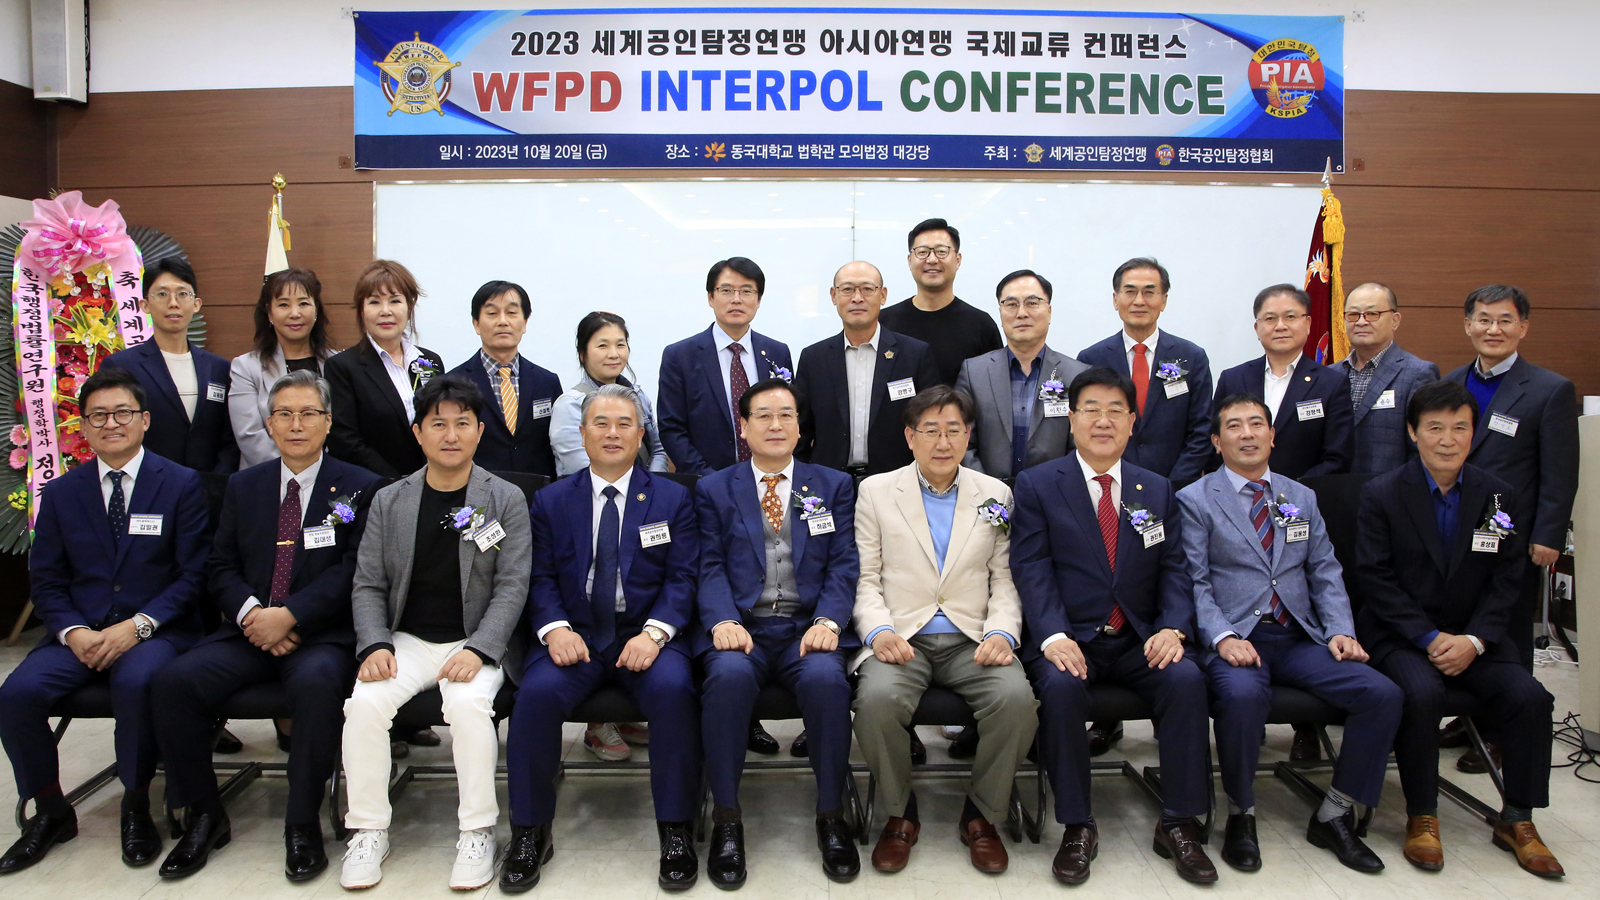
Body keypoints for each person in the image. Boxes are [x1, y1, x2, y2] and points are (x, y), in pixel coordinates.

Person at [152, 370, 381, 881]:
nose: (296, 425)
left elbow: (357, 570)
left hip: (319, 634)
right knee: (173, 683)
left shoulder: (361, 487)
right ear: (269, 423)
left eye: (308, 414)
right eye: (285, 415)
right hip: (250, 630)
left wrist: (291, 615)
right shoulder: (244, 485)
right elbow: (220, 565)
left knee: (317, 686)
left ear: (327, 422)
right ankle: (204, 815)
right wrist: (255, 616)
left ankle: (301, 823)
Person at [1010, 367, 1217, 886]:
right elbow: (1031, 567)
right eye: (1091, 410)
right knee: (1060, 689)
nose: (1103, 421)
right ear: (1071, 419)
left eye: (1115, 411)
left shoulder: (1156, 487)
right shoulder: (1038, 484)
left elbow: (1174, 569)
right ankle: (1077, 824)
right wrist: (1053, 635)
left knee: (1186, 679)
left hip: (1137, 638)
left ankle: (1179, 821)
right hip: (1069, 637)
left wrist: (1173, 628)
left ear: (1131, 422)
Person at [1178, 393, 1401, 874]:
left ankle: (1334, 813)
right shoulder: (1194, 500)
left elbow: (1324, 570)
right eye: (1234, 426)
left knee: (1381, 694)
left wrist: (1340, 630)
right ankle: (1241, 813)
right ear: (1216, 442)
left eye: (1256, 423)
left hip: (1299, 637)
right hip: (1236, 638)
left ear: (1272, 435)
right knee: (1241, 698)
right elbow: (1193, 582)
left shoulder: (1300, 496)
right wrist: (1222, 638)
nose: (1247, 434)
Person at [0, 367, 209, 874]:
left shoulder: (180, 484)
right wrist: (73, 632)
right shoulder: (62, 493)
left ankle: (135, 806)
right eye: (98, 416)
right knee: (16, 694)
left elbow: (193, 575)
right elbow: (46, 580)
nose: (111, 424)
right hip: (80, 634)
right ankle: (51, 811)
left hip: (155, 631)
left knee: (136, 683)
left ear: (144, 420)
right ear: (84, 426)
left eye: (122, 413)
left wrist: (137, 626)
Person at [1353, 380, 1562, 879]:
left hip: (1475, 638)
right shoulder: (1382, 493)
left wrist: (1474, 639)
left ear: (1473, 433)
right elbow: (1374, 578)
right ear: (1413, 432)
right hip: (1403, 636)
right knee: (1421, 693)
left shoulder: (1499, 495)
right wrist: (1428, 638)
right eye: (1435, 428)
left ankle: (1518, 817)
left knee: (1531, 698)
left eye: (1460, 428)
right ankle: (1422, 814)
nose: (1447, 440)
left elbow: (1508, 579)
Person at [336, 375, 532, 891]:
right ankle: (368, 830)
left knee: (468, 706)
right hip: (408, 639)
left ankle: (477, 831)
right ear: (418, 432)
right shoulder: (390, 500)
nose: (451, 435)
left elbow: (513, 585)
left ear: (480, 431)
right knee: (364, 704)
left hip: (475, 638)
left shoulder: (505, 498)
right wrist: (375, 643)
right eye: (438, 424)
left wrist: (480, 649)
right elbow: (368, 583)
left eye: (462, 423)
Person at [503, 384, 702, 892]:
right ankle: (529, 831)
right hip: (576, 635)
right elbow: (538, 576)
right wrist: (554, 628)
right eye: (601, 423)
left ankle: (676, 830)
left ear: (640, 434)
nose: (612, 433)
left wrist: (655, 634)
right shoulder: (551, 499)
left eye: (623, 424)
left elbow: (683, 578)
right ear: (582, 432)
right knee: (535, 695)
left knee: (675, 691)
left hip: (645, 635)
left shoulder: (674, 497)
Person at [851, 384, 1038, 875]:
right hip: (902, 637)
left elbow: (1005, 578)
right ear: (909, 436)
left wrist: (1002, 633)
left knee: (1017, 701)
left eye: (953, 430)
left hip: (972, 638)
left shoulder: (995, 494)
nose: (942, 442)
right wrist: (879, 631)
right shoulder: (876, 491)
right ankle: (900, 813)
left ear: (968, 436)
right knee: (875, 702)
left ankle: (982, 813)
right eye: (931, 430)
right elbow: (865, 577)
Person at [693, 377, 860, 886]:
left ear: (799, 427)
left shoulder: (833, 485)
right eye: (762, 415)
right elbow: (708, 564)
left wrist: (829, 620)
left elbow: (844, 563)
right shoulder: (714, 488)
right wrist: (723, 620)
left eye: (786, 414)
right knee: (726, 679)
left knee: (828, 682)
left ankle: (831, 815)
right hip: (741, 628)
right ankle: (727, 819)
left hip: (807, 628)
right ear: (743, 427)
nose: (775, 424)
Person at [1075, 257, 1215, 759]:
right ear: (1115, 299)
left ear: (1164, 299)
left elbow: (1201, 430)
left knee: (1159, 582)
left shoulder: (1189, 356)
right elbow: (1090, 426)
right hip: (1103, 494)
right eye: (1130, 290)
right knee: (1111, 582)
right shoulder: (1093, 357)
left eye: (1149, 291)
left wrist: (1165, 489)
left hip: (1171, 495)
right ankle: (1107, 719)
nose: (1139, 299)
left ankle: (1164, 706)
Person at [1442, 285, 1577, 672]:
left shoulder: (1550, 390)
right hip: (1451, 528)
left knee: (1508, 629)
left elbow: (1560, 471)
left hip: (1510, 534)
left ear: (1523, 327)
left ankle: (1510, 708)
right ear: (1468, 325)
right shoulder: (1450, 383)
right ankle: (1462, 707)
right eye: (1484, 319)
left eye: (1505, 320)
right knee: (1457, 624)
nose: (1493, 329)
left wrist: (1548, 535)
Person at [795, 261, 940, 478]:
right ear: (834, 296)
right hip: (829, 482)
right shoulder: (814, 358)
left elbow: (931, 423)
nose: (857, 298)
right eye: (847, 289)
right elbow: (800, 430)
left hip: (897, 481)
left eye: (867, 289)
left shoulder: (914, 355)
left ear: (883, 295)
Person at [99, 257, 237, 472]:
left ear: (196, 304)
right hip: (148, 485)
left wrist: (217, 482)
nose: (173, 303)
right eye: (162, 294)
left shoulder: (219, 368)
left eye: (182, 294)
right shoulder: (121, 367)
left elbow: (229, 437)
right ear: (145, 305)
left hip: (208, 487)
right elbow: (115, 432)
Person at [658, 257, 794, 475]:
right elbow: (672, 429)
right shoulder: (680, 356)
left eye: (746, 291)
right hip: (704, 482)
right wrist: (710, 481)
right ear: (710, 298)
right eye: (727, 291)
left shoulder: (777, 352)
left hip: (770, 479)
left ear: (759, 299)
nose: (736, 300)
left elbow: (789, 418)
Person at [956, 268, 1089, 479]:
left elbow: (1081, 445)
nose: (1022, 313)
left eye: (1032, 303)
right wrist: (986, 490)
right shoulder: (974, 372)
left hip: (1053, 491)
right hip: (986, 492)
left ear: (1049, 311)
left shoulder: (1077, 374)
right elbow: (961, 439)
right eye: (1011, 304)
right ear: (1000, 313)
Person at [1214, 284, 1354, 481]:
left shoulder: (1331, 383)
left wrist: (1291, 492)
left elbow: (1337, 458)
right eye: (1270, 318)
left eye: (1290, 317)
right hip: (1237, 493)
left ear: (1308, 323)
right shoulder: (1233, 379)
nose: (1280, 326)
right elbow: (1215, 445)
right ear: (1257, 328)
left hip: (1305, 494)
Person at [325, 259, 447, 479]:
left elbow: (441, 423)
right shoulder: (342, 367)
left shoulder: (429, 361)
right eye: (374, 302)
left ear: (409, 307)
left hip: (433, 483)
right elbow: (344, 440)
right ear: (361, 310)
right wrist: (395, 483)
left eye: (395, 300)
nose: (385, 311)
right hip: (374, 485)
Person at [445, 280, 562, 477]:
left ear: (524, 323)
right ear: (476, 324)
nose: (503, 321)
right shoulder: (453, 384)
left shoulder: (547, 382)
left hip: (537, 491)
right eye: (492, 313)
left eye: (511, 312)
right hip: (477, 490)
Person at [229, 267, 338, 468]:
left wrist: (323, 472)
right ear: (269, 313)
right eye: (283, 305)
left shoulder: (337, 363)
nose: (295, 314)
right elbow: (250, 437)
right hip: (267, 476)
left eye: (303, 303)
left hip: (331, 477)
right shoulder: (246, 368)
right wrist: (297, 472)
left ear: (316, 310)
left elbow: (343, 431)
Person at [878, 217, 1003, 386]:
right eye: (922, 252)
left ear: (958, 260)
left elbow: (995, 388)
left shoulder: (981, 325)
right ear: (910, 261)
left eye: (941, 251)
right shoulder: (883, 323)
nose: (932, 260)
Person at [550, 311, 669, 481]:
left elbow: (658, 450)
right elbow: (580, 466)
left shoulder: (639, 397)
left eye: (620, 345)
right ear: (583, 353)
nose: (614, 354)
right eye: (603, 346)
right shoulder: (570, 405)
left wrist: (650, 485)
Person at [1339, 282, 1440, 474]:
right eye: (1353, 315)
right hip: (1334, 487)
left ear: (1395, 320)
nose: (1361, 322)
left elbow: (1423, 447)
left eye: (1372, 314)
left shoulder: (1419, 372)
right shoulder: (1331, 373)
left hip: (1391, 487)